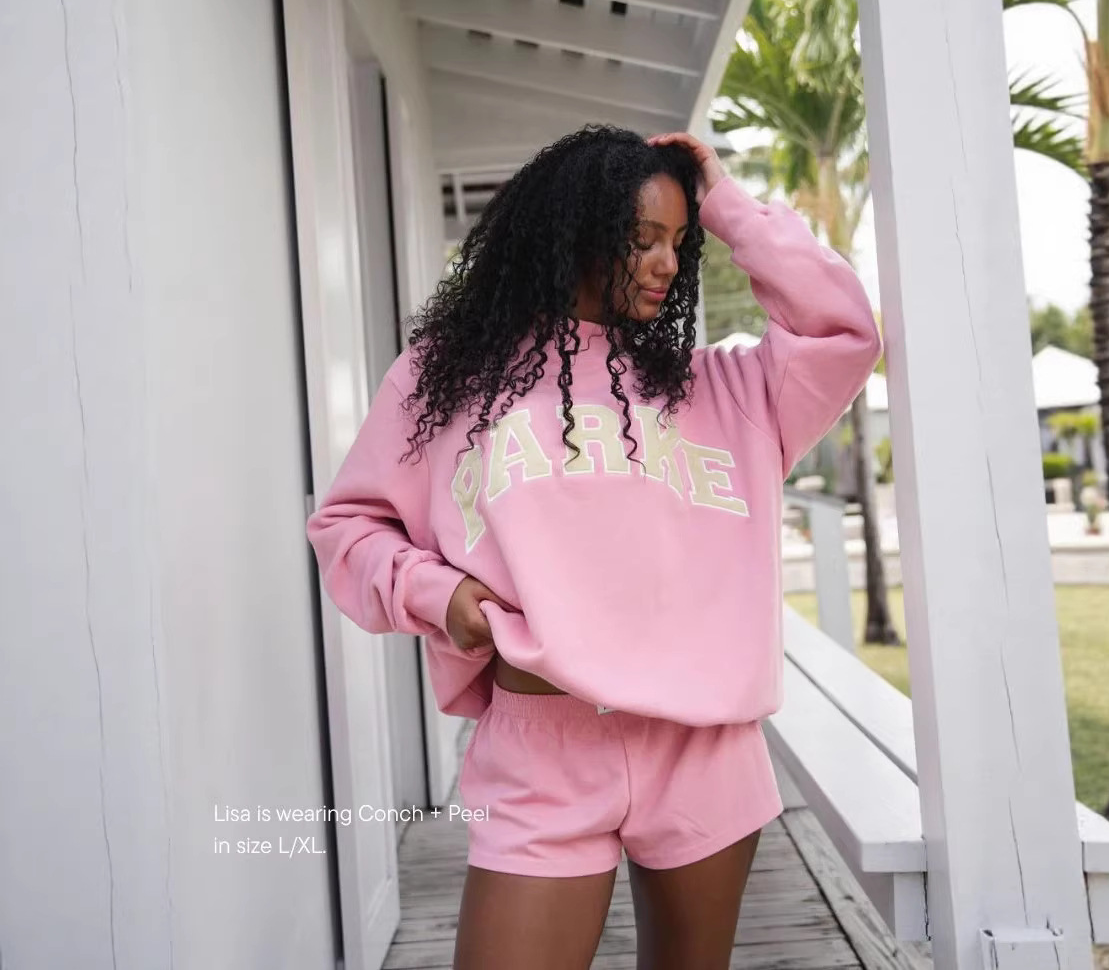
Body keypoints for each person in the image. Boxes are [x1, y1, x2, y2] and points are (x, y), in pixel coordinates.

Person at [306, 126, 882, 969]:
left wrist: (724, 201)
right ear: (575, 231)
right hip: (543, 747)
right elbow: (347, 524)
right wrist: (437, 594)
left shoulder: (729, 389)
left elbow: (841, 327)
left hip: (702, 747)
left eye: (678, 241)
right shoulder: (447, 379)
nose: (665, 262)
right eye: (641, 237)